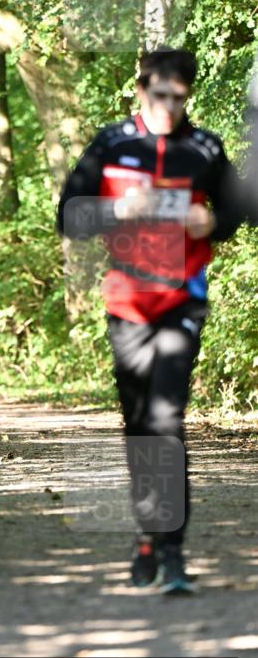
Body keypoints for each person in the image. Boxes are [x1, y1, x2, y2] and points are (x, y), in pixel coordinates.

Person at [57, 47, 242, 594]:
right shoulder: (113, 143)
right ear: (141, 90)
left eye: (179, 98)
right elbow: (69, 214)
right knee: (140, 424)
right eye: (158, 95)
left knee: (166, 419)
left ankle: (173, 553)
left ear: (187, 96)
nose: (168, 107)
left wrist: (212, 219)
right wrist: (117, 211)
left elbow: (239, 209)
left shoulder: (203, 148)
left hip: (182, 299)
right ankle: (147, 536)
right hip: (127, 302)